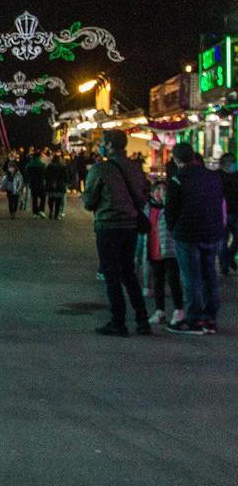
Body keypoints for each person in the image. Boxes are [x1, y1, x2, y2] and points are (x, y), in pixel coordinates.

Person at [83, 130, 150, 336]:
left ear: (110, 145)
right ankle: (142, 320)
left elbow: (89, 201)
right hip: (131, 225)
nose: (100, 146)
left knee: (112, 275)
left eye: (102, 143)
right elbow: (144, 196)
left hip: (108, 225)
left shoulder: (101, 169)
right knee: (129, 273)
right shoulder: (136, 168)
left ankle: (118, 321)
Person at [164, 142, 224, 334]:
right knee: (210, 276)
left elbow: (170, 211)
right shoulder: (213, 176)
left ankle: (194, 320)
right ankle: (210, 318)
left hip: (188, 235)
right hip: (212, 233)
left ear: (176, 160)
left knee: (192, 279)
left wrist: (175, 229)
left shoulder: (177, 180)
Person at [145, 173, 183, 327]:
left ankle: (179, 309)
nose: (160, 193)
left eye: (163, 190)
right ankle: (159, 310)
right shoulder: (148, 208)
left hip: (169, 250)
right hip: (153, 249)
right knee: (158, 281)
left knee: (173, 281)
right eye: (157, 189)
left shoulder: (170, 208)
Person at [218, 153, 238, 276]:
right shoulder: (217, 176)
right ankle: (224, 267)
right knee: (222, 242)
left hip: (236, 212)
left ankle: (229, 257)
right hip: (222, 213)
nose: (234, 164)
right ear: (226, 163)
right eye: (232, 161)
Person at [46, 154, 69, 220]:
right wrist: (66, 183)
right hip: (60, 185)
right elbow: (66, 177)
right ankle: (56, 214)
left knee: (51, 200)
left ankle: (51, 212)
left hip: (51, 185)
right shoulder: (62, 167)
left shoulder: (49, 166)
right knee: (58, 201)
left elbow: (46, 175)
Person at [26, 151, 47, 218]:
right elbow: (45, 174)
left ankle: (35, 213)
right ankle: (41, 210)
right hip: (41, 183)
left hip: (33, 183)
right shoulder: (42, 165)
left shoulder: (29, 165)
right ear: (39, 157)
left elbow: (26, 173)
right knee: (43, 197)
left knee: (34, 198)